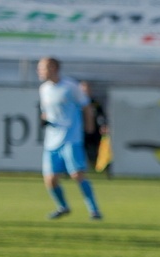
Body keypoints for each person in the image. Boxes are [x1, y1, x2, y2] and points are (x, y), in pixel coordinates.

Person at [37, 57, 102, 220]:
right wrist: (44, 119)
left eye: (42, 68)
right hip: (51, 140)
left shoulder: (71, 86)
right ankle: (63, 207)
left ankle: (94, 210)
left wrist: (89, 128)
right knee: (50, 179)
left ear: (53, 68)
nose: (40, 71)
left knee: (77, 174)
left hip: (70, 138)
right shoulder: (44, 89)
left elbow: (86, 106)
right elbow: (46, 110)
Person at [79, 81, 108, 173]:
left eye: (87, 90)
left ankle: (95, 169)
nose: (85, 92)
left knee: (95, 150)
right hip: (79, 132)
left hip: (94, 132)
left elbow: (101, 116)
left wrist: (103, 125)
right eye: (83, 90)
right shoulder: (76, 104)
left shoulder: (95, 103)